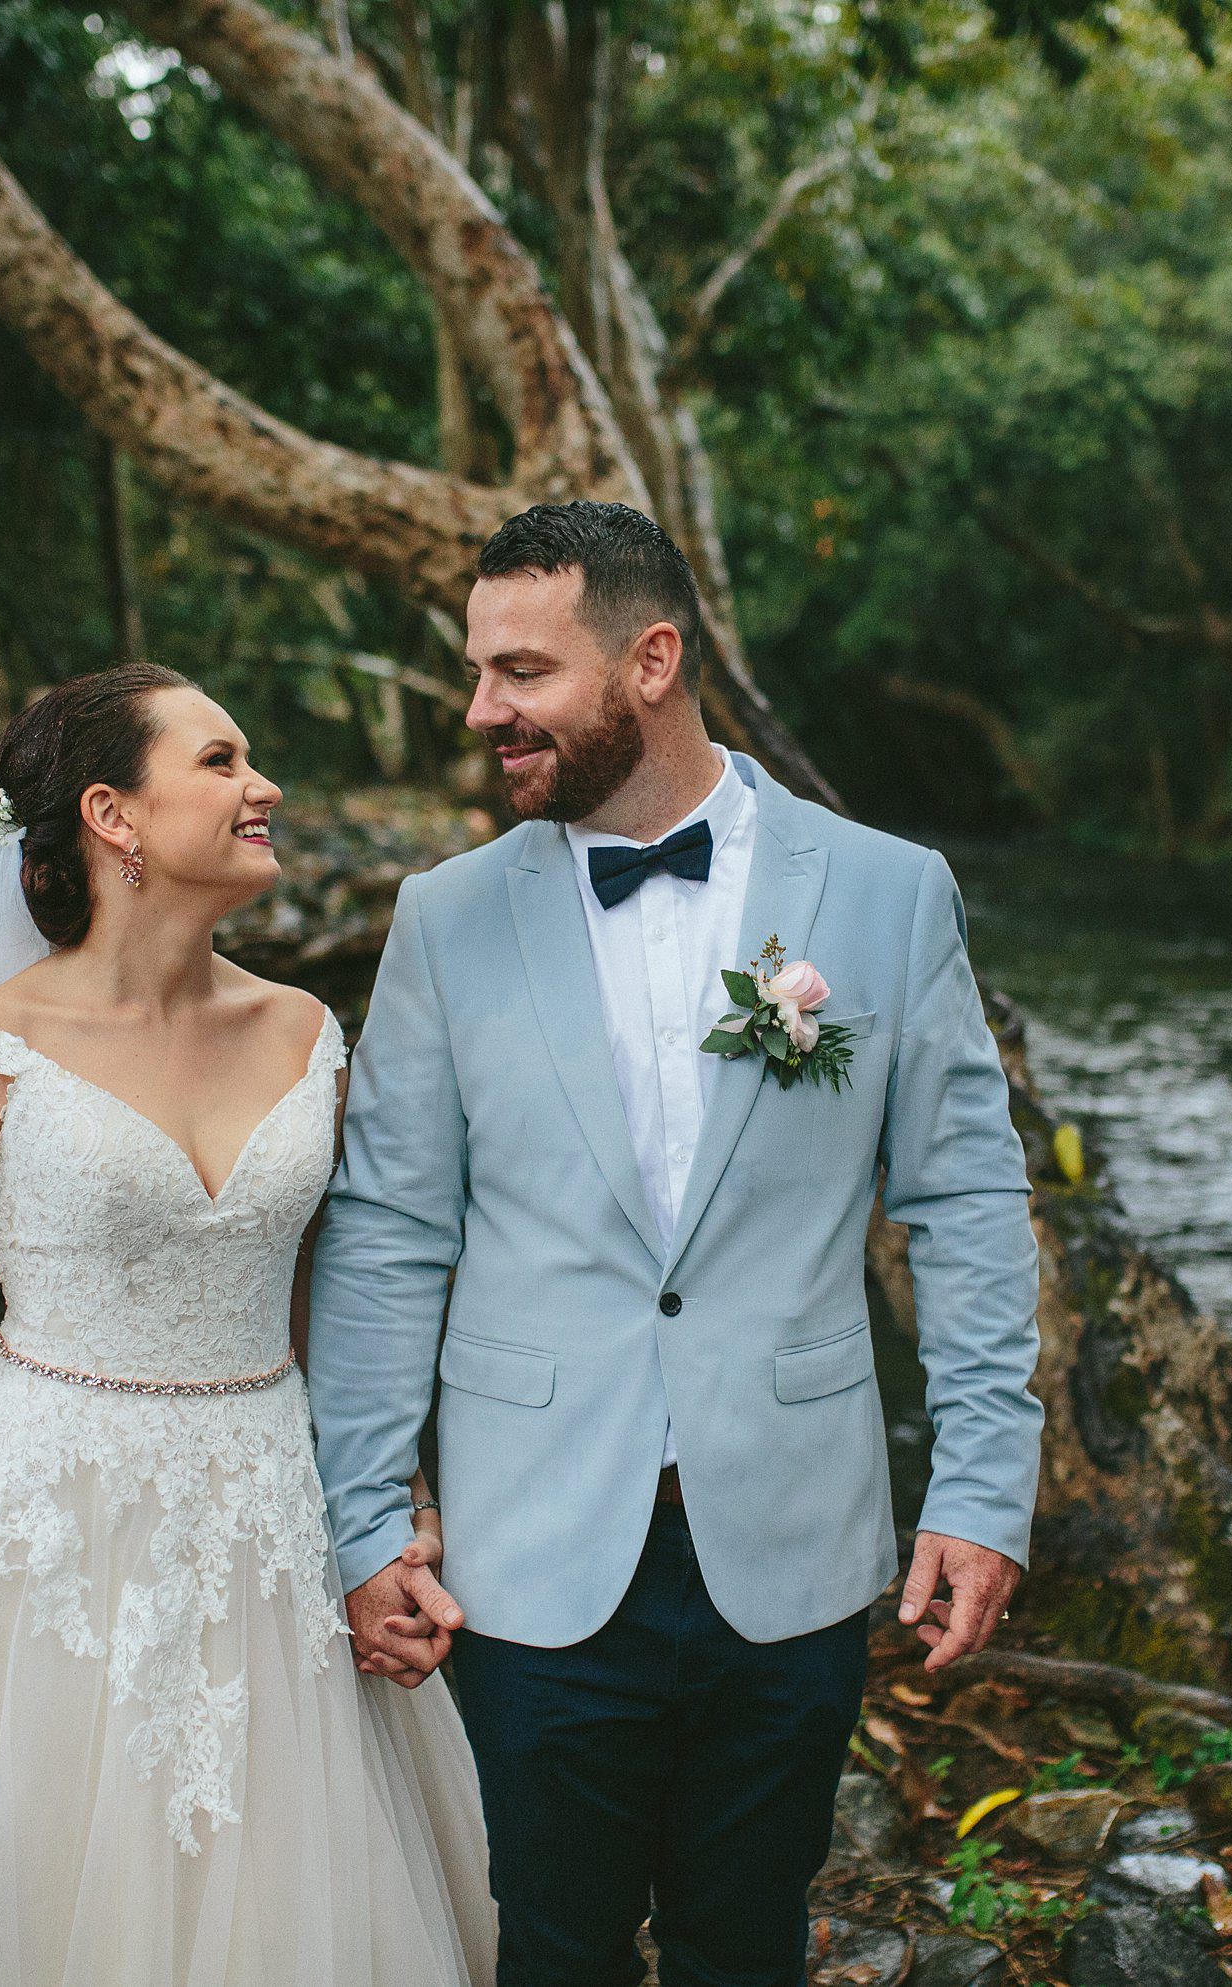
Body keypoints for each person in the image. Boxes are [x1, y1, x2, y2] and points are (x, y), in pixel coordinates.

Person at [308, 501, 1045, 1987]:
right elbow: (389, 1229)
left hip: (791, 1532)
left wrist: (981, 1485)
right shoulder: (444, 919)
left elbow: (962, 1198)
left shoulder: (888, 893)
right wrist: (366, 1513)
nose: (481, 712)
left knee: (746, 1944)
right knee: (555, 1946)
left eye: (522, 673)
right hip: (526, 1547)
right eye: (478, 671)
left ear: (651, 659)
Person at [0, 662, 496, 1986]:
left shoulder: (308, 1033)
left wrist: (393, 1512)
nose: (267, 789)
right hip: (47, 1538)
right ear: (112, 817)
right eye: (222, 762)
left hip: (270, 1524)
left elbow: (330, 1318)